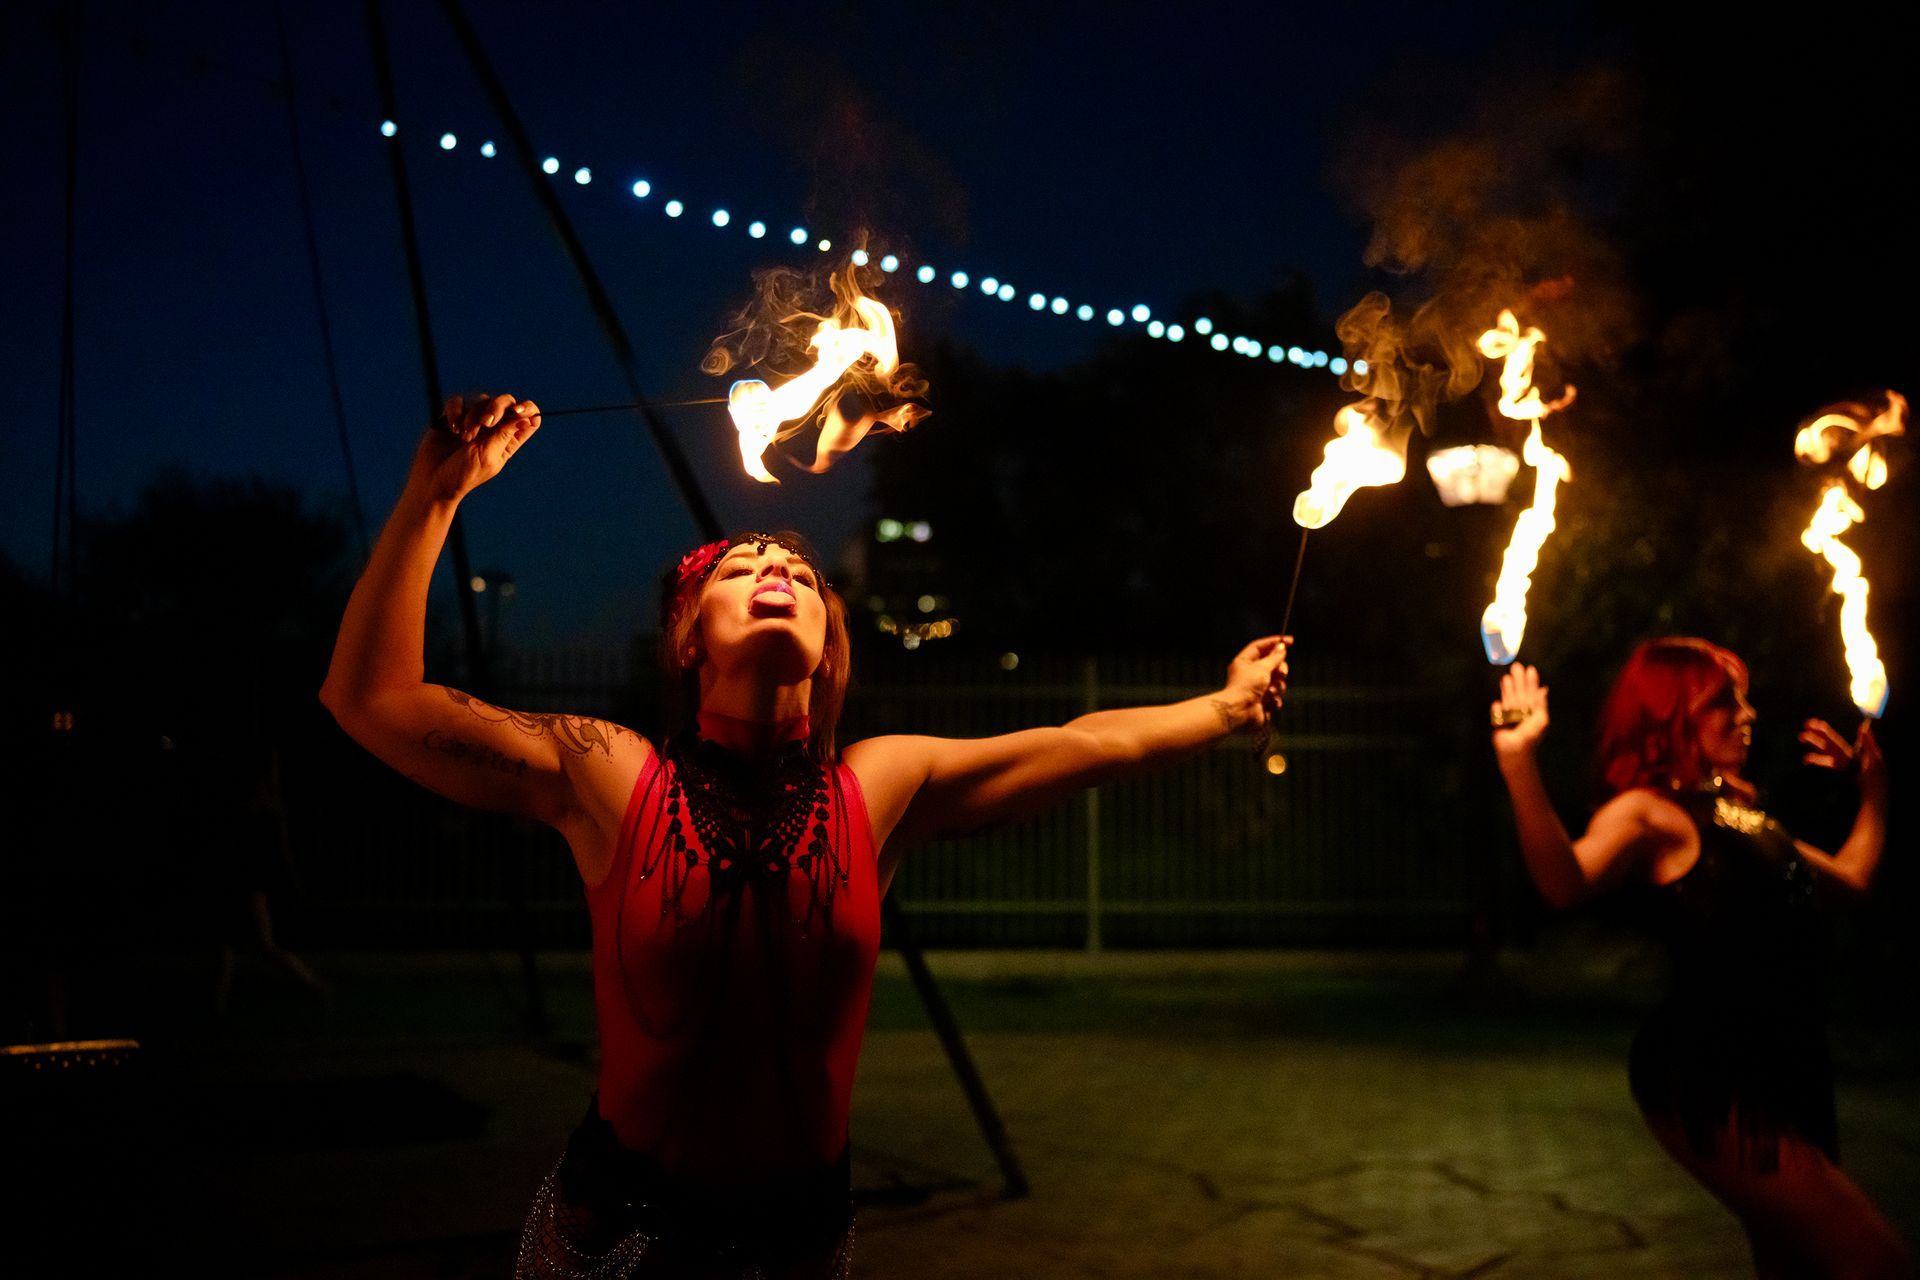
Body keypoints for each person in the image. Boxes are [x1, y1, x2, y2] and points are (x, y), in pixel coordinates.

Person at [319, 393, 1290, 1279]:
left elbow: (1081, 743)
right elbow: (373, 699)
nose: (776, 566)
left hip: (800, 1246)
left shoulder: (879, 786)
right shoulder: (612, 773)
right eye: (742, 566)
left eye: (798, 569)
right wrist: (434, 495)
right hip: (615, 1240)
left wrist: (1225, 705)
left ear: (831, 642)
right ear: (690, 635)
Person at [1491, 639, 1911, 1279]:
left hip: (1791, 1066)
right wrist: (1520, 764)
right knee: (1878, 1263)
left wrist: (1875, 791)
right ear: (1672, 714)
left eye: (1743, 700)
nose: (1747, 715)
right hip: (1713, 1074)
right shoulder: (1649, 814)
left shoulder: (1744, 817)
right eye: (1724, 702)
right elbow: (1564, 881)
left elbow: (1851, 881)